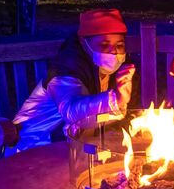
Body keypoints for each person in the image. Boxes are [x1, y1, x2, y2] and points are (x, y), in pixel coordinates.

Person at [12, 9, 135, 151]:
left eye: (119, 45)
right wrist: (116, 99)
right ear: (84, 43)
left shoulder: (118, 72)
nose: (114, 52)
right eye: (104, 45)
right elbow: (71, 110)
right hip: (34, 148)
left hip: (76, 148)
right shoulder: (67, 68)